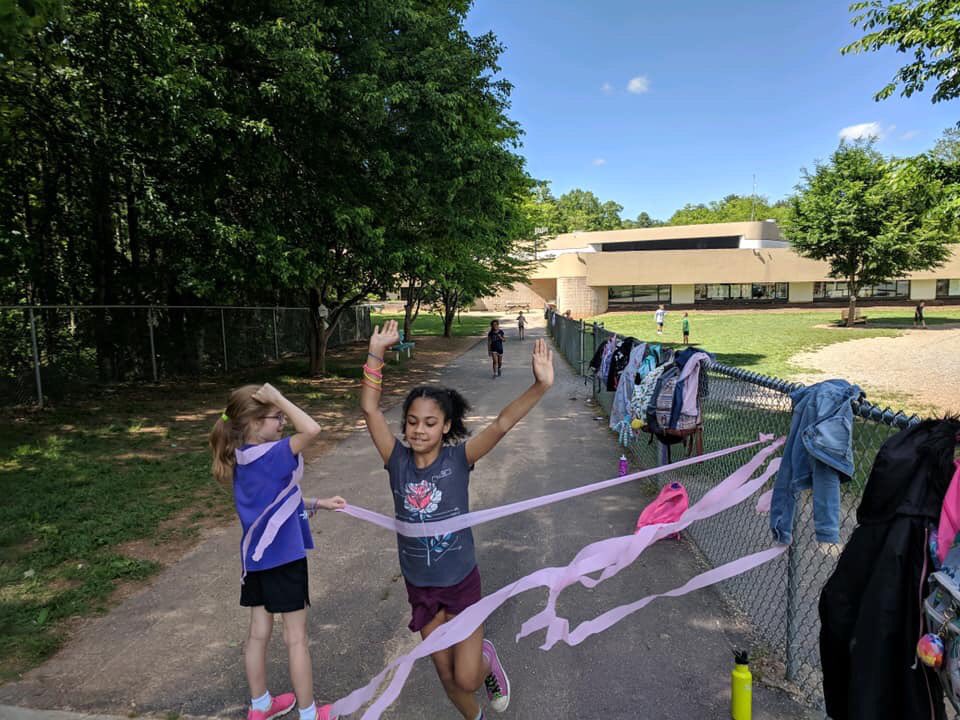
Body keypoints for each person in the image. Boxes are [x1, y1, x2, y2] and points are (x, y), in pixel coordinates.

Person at [359, 320, 554, 720]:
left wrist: (540, 386)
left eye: (430, 423)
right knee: (446, 675)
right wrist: (376, 353)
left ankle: (487, 662)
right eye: (412, 422)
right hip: (422, 589)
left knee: (466, 677)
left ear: (446, 426)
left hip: (462, 584)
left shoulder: (458, 460)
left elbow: (500, 425)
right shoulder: (395, 461)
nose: (418, 430)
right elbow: (369, 408)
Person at [210, 384, 345, 720]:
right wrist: (279, 397)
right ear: (254, 423)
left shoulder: (243, 458)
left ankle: (260, 706)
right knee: (296, 638)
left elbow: (276, 502)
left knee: (258, 633)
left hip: (255, 561)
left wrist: (318, 504)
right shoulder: (273, 454)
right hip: (285, 559)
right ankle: (310, 713)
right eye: (276, 416)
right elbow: (312, 429)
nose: (283, 420)